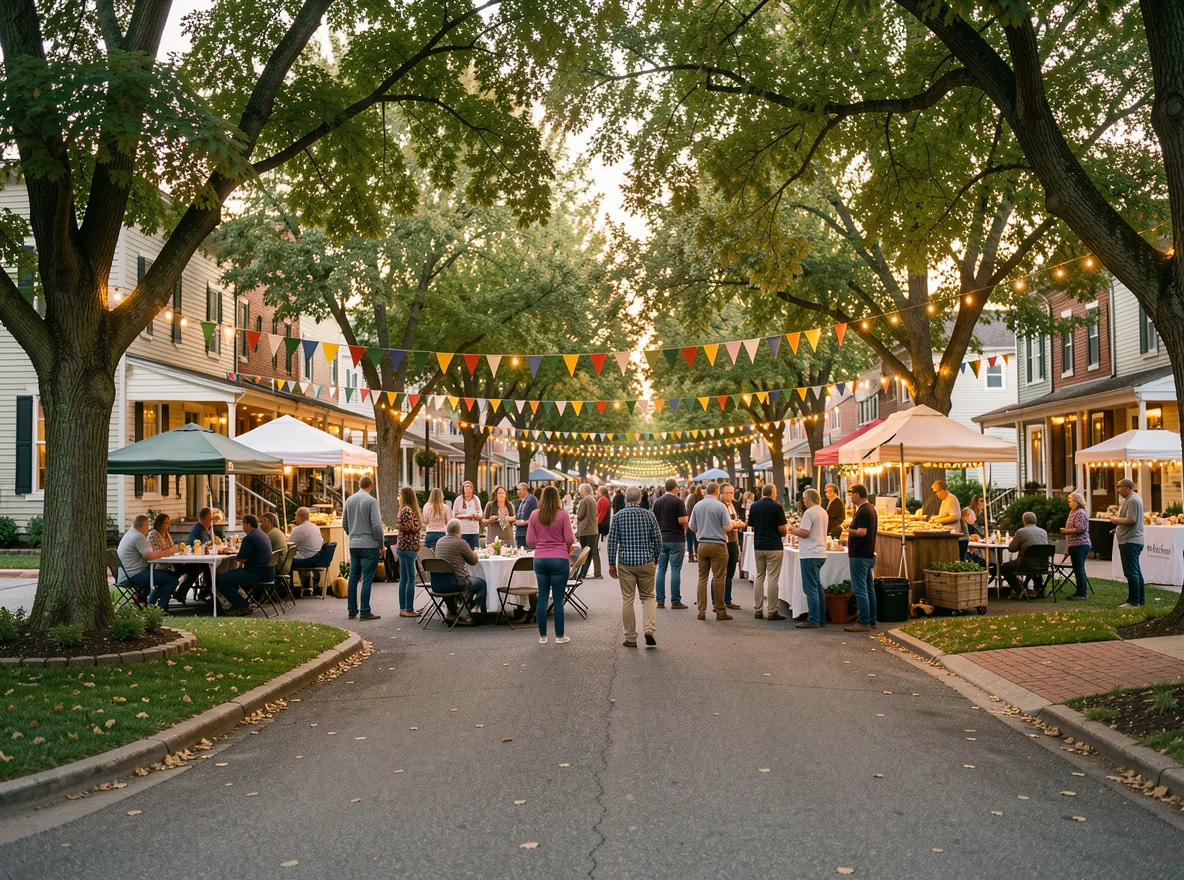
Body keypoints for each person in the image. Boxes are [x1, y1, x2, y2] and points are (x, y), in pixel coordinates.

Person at [608, 486, 663, 648]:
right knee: (648, 597)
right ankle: (649, 630)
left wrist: (612, 563)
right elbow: (658, 539)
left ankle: (631, 638)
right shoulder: (649, 515)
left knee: (628, 599)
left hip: (626, 562)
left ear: (626, 499)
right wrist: (655, 557)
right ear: (640, 499)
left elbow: (612, 542)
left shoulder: (618, 516)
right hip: (646, 560)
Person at [526, 485, 575, 644]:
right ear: (556, 499)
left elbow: (530, 542)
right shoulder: (563, 515)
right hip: (559, 558)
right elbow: (569, 540)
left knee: (542, 597)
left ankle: (543, 636)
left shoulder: (534, 515)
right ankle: (560, 636)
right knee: (559, 599)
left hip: (540, 559)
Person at [687, 482, 735, 621]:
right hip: (718, 545)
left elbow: (692, 526)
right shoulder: (720, 506)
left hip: (702, 544)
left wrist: (703, 529)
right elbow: (726, 528)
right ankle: (720, 611)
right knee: (719, 578)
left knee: (702, 578)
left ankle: (701, 611)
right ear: (717, 491)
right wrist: (733, 524)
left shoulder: (698, 505)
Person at [342, 475, 384, 621]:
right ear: (371, 486)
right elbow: (376, 526)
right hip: (369, 544)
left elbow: (344, 523)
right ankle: (365, 610)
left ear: (359, 485)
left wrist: (352, 534)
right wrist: (381, 543)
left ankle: (352, 609)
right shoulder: (371, 501)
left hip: (354, 544)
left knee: (353, 577)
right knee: (367, 578)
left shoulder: (349, 500)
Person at [117, 514, 179, 609]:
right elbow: (150, 556)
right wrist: (170, 551)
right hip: (134, 575)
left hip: (126, 574)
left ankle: (153, 603)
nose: (148, 528)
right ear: (143, 526)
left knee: (165, 576)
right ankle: (159, 608)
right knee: (172, 579)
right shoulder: (138, 537)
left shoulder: (130, 534)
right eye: (147, 526)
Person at [432, 519, 487, 624]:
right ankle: (473, 610)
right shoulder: (461, 543)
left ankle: (454, 611)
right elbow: (474, 561)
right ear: (459, 530)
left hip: (438, 583)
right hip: (456, 583)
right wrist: (475, 551)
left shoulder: (439, 542)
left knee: (462, 582)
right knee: (481, 583)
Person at [217, 514, 274, 615]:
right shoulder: (262, 534)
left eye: (243, 524)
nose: (242, 527)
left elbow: (242, 559)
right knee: (231, 577)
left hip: (256, 574)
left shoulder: (249, 538)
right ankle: (243, 603)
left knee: (220, 580)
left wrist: (231, 555)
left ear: (248, 524)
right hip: (267, 573)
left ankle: (241, 606)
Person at [790, 488, 829, 628]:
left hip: (809, 553)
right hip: (820, 552)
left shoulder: (809, 512)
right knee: (818, 587)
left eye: (804, 498)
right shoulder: (823, 511)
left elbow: (805, 533)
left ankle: (813, 619)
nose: (803, 501)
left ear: (809, 498)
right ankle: (821, 617)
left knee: (810, 588)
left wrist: (793, 530)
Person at [748, 483, 788, 620]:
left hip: (759, 545)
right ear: (772, 492)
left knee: (759, 577)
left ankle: (757, 609)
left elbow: (752, 527)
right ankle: (772, 611)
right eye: (775, 492)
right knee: (772, 578)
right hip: (774, 546)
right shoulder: (777, 507)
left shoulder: (754, 506)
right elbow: (783, 531)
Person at [844, 484, 878, 631]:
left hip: (860, 554)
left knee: (860, 589)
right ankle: (871, 619)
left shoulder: (863, 511)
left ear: (857, 494)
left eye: (851, 494)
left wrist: (848, 530)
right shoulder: (871, 509)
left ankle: (863, 621)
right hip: (868, 553)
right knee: (869, 588)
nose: (850, 497)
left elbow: (862, 532)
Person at [652, 478, 688, 609]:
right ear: (675, 488)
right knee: (675, 570)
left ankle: (660, 601)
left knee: (661, 570)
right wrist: (685, 529)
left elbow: (654, 521)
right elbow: (682, 520)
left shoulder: (657, 502)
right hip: (676, 539)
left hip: (661, 538)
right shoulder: (678, 502)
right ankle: (675, 600)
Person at [1110, 478, 1145, 607]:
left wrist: (1115, 520)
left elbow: (1131, 520)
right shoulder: (1132, 499)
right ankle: (1139, 600)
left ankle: (1133, 601)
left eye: (1119, 487)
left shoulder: (1133, 500)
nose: (1117, 489)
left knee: (1131, 572)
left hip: (1131, 540)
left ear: (1126, 487)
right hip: (1131, 539)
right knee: (1135, 570)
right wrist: (1117, 529)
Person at [1001, 511, 1050, 597]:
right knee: (1035, 561)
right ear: (1035, 520)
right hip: (1043, 564)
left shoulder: (1021, 532)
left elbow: (1011, 549)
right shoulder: (1043, 532)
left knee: (1004, 567)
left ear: (1024, 521)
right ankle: (1039, 590)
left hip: (1025, 564)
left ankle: (1019, 590)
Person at [390, 484, 421, 618]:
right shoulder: (408, 510)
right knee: (410, 578)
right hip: (409, 546)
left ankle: (403, 607)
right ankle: (408, 608)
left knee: (403, 578)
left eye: (400, 495)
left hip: (402, 546)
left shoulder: (403, 509)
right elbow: (409, 527)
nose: (398, 498)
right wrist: (418, 526)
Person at [1061, 491, 1091, 600]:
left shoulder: (1080, 513)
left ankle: (1082, 593)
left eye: (1070, 501)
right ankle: (1079, 591)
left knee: (1079, 569)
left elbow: (1081, 529)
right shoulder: (1072, 512)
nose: (1069, 503)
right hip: (1073, 544)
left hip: (1080, 544)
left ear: (1076, 502)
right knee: (1077, 568)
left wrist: (1066, 531)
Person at [288, 506, 325, 594]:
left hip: (307, 559)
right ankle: (312, 585)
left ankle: (292, 587)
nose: (295, 519)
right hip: (318, 557)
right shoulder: (316, 527)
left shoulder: (298, 529)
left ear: (299, 517)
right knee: (302, 552)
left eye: (296, 517)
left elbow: (290, 545)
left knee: (288, 559)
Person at [721, 483, 744, 610]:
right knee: (721, 574)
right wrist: (737, 525)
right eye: (730, 493)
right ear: (723, 494)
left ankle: (728, 600)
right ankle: (719, 601)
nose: (733, 495)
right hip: (726, 541)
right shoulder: (721, 506)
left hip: (733, 541)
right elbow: (726, 525)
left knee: (730, 572)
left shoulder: (731, 505)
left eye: (733, 492)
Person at [575, 483, 601, 578]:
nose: (579, 492)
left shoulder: (585, 500)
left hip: (586, 530)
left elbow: (580, 515)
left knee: (585, 553)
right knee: (592, 552)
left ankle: (582, 573)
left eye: (580, 490)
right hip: (593, 529)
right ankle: (587, 573)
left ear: (583, 491)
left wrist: (576, 520)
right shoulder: (592, 499)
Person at [453, 481, 483, 549]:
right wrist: (466, 516)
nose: (468, 489)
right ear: (463, 489)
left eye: (469, 487)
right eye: (466, 487)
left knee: (474, 550)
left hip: (474, 530)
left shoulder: (476, 499)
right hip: (463, 530)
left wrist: (477, 516)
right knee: (463, 550)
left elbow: (480, 512)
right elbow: (454, 515)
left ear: (472, 489)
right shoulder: (458, 500)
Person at [513, 482, 538, 550]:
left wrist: (525, 522)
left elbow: (536, 516)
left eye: (518, 489)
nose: (517, 491)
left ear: (524, 489)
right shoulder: (520, 501)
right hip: (519, 533)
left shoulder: (532, 499)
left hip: (527, 533)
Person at [684, 486, 702, 562]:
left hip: (688, 521)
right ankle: (697, 555)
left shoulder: (689, 497)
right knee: (696, 540)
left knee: (689, 540)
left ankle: (690, 556)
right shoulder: (697, 499)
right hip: (695, 522)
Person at [596, 485, 612, 557]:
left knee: (597, 544)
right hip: (603, 524)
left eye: (598, 490)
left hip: (601, 524)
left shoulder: (603, 499)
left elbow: (602, 513)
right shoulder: (605, 499)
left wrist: (597, 522)